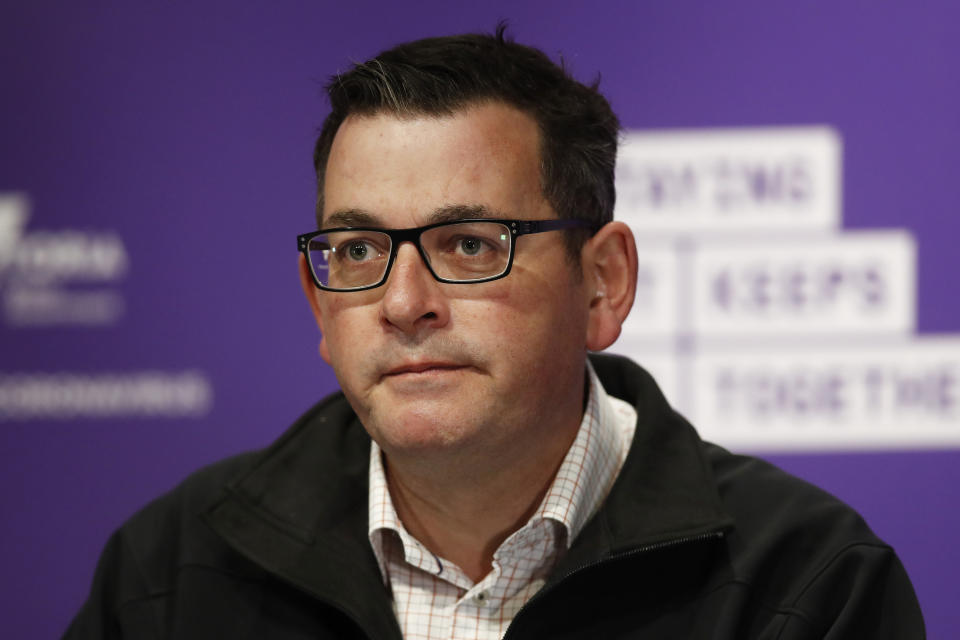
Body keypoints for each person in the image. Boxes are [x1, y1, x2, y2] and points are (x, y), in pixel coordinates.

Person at [65, 27, 925, 639]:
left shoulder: (810, 585)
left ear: (603, 282)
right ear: (318, 303)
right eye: (359, 249)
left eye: (468, 245)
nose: (403, 302)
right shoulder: (171, 571)